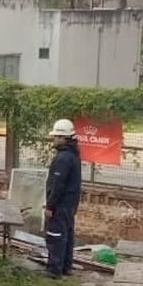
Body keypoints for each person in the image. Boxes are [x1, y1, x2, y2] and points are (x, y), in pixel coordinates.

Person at [43, 118, 82, 277]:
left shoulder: (63, 158)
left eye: (56, 137)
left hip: (60, 205)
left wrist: (50, 206)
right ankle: (66, 267)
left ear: (62, 138)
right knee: (67, 234)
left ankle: (54, 270)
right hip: (70, 204)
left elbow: (57, 184)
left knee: (55, 235)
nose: (53, 140)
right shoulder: (73, 156)